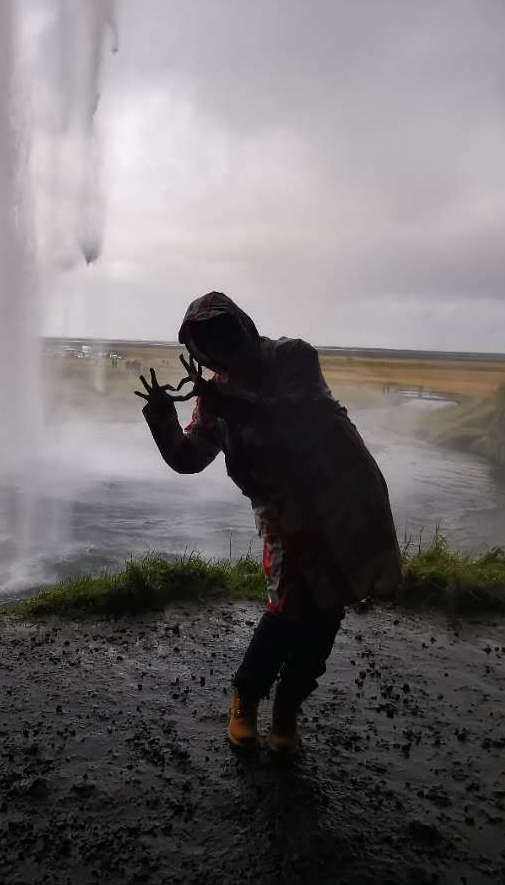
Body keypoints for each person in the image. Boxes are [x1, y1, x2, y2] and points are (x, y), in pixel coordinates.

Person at [135, 291, 401, 754]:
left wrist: (223, 399)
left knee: (329, 606)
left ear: (243, 326)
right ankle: (247, 696)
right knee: (288, 607)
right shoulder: (214, 395)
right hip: (282, 507)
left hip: (342, 494)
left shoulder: (294, 357)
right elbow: (188, 458)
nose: (218, 347)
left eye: (223, 332)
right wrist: (162, 417)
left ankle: (287, 710)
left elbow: (300, 415)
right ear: (198, 351)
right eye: (205, 342)